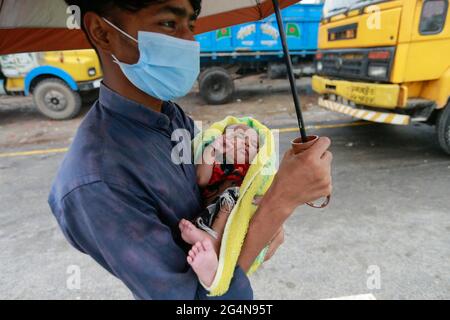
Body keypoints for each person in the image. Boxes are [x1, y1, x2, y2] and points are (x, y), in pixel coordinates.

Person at [48, 0, 333, 300]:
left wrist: (260, 212)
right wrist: (279, 203)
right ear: (102, 32)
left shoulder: (169, 115)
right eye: (169, 24)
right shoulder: (96, 183)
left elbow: (209, 189)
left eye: (192, 25)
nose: (190, 42)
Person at [180, 124, 260, 287]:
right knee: (232, 193)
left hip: (232, 223)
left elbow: (262, 193)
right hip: (208, 215)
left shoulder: (252, 172)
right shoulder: (217, 162)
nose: (246, 144)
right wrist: (211, 149)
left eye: (253, 144)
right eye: (239, 138)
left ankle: (212, 250)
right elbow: (201, 179)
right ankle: (210, 266)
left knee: (236, 193)